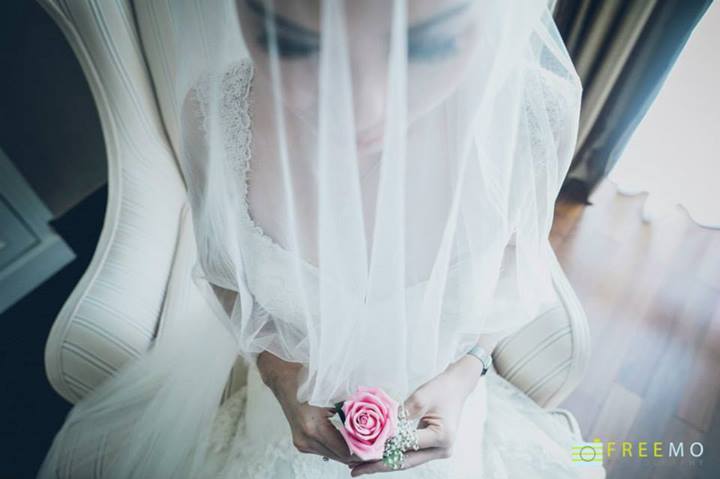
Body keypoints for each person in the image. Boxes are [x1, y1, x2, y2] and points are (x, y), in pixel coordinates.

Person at [38, 0, 605, 477]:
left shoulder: (535, 115)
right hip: (277, 426)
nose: (360, 110)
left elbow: (518, 263)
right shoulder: (216, 118)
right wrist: (281, 375)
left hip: (453, 421)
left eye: (424, 46)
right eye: (292, 43)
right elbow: (222, 271)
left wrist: (466, 373)